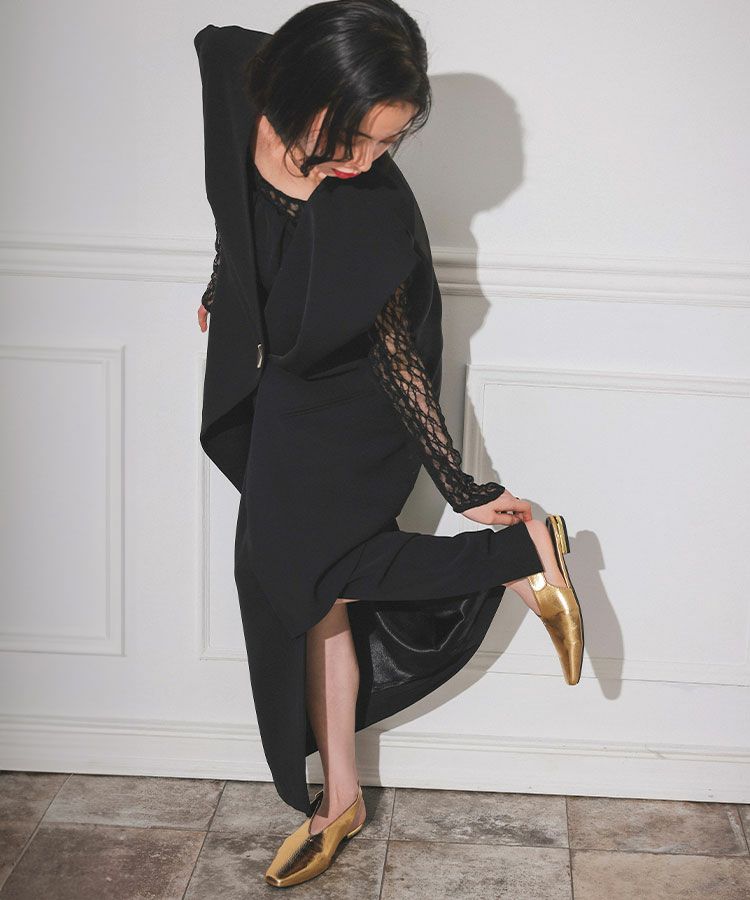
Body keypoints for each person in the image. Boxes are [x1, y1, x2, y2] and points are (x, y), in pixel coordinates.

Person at [193, 0, 584, 888]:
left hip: (354, 400)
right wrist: (224, 281)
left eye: (390, 142)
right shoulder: (233, 79)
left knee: (301, 576)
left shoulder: (371, 213)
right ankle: (341, 798)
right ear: (297, 89)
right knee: (313, 591)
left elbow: (400, 355)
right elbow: (230, 197)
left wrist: (460, 484)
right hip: (276, 382)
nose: (367, 161)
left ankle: (516, 553)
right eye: (354, 137)